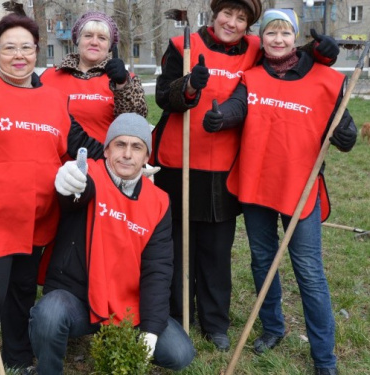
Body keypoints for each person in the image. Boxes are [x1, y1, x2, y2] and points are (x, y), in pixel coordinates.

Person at [151, 0, 340, 351]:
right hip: (179, 161)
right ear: (215, 13)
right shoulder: (183, 45)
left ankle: (215, 322)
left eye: (242, 18)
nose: (233, 23)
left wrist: (322, 51)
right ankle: (178, 317)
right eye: (228, 14)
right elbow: (164, 95)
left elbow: (288, 54)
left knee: (217, 249)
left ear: (249, 25)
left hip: (226, 164)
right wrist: (190, 87)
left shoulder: (255, 47)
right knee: (178, 245)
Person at [0, 13, 103, 375]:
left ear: (37, 51)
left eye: (26, 47)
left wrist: (131, 152)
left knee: (23, 290)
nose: (19, 55)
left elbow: (81, 146)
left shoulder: (55, 100)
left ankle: (15, 357)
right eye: (9, 47)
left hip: (39, 216)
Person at [203, 9, 357, 375]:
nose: (277, 39)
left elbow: (345, 132)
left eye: (285, 33)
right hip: (256, 184)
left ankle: (324, 356)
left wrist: (345, 135)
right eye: (270, 32)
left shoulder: (325, 80)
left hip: (300, 190)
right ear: (263, 37)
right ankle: (273, 327)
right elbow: (240, 107)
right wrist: (221, 117)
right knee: (263, 261)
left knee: (309, 271)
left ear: (295, 38)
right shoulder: (252, 77)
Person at [28, 113, 195, 375]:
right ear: (106, 150)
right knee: (49, 316)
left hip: (129, 306)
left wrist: (150, 331)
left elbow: (158, 269)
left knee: (180, 353)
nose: (127, 154)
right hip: (79, 298)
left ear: (146, 156)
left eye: (137, 146)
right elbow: (75, 197)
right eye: (119, 144)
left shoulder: (159, 202)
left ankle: (115, 334)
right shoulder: (90, 177)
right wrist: (68, 183)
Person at [40, 11, 147, 142]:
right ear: (77, 40)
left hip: (102, 159)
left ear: (110, 46)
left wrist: (122, 86)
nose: (94, 42)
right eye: (88, 36)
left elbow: (136, 123)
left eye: (102, 38)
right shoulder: (50, 76)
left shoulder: (125, 80)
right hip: (56, 160)